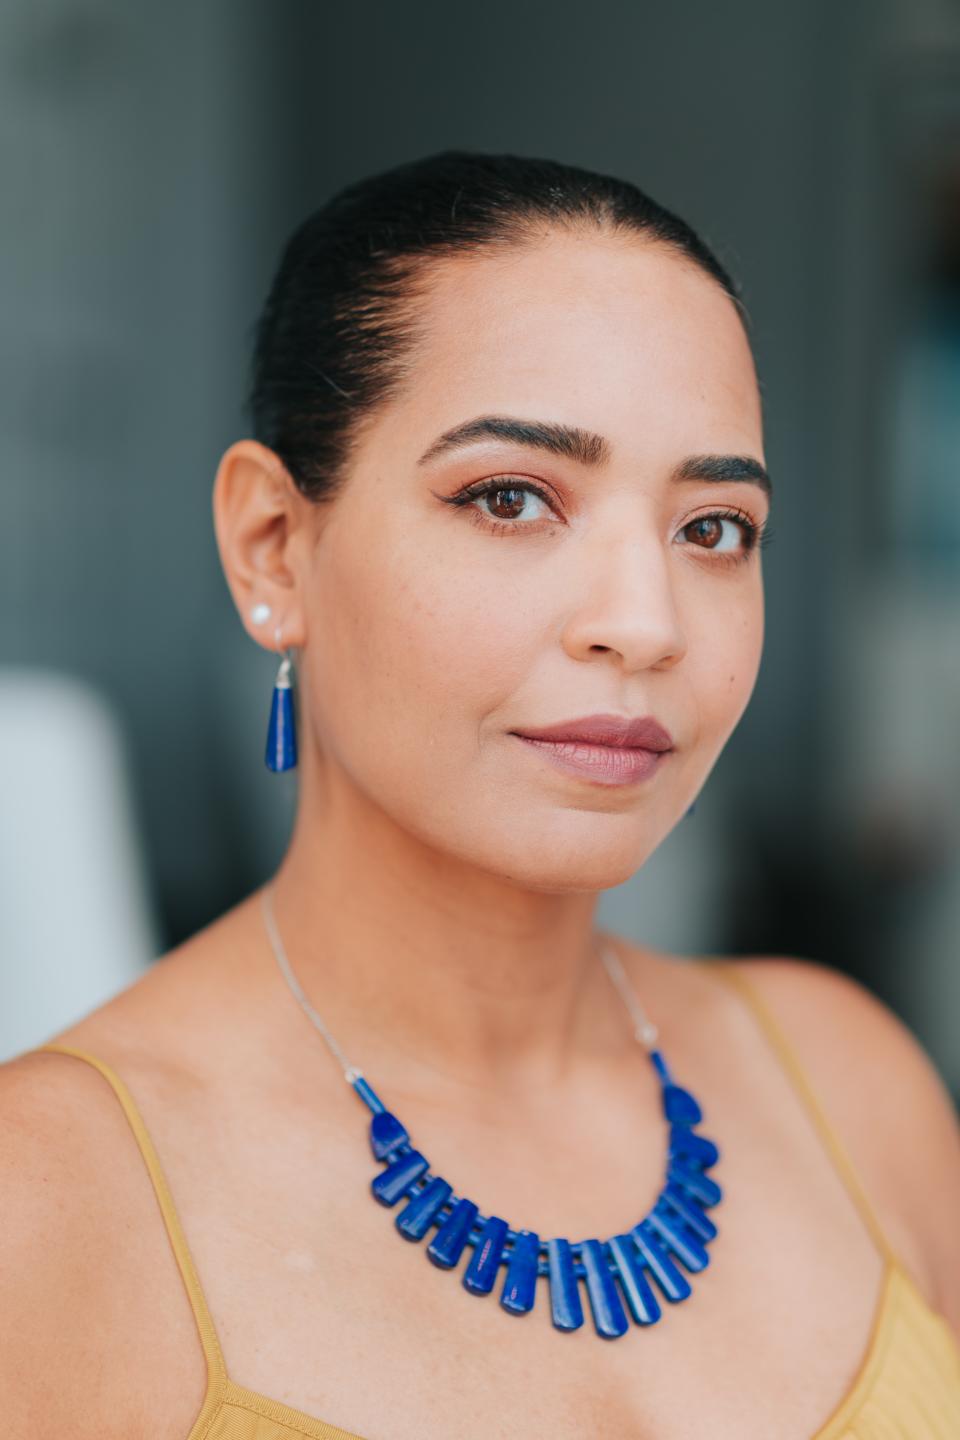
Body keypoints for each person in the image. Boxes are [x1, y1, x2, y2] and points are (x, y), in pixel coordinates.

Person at [2, 150, 959, 1440]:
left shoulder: (850, 1082)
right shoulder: (49, 1200)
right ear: (274, 546)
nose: (646, 621)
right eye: (510, 498)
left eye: (715, 527)